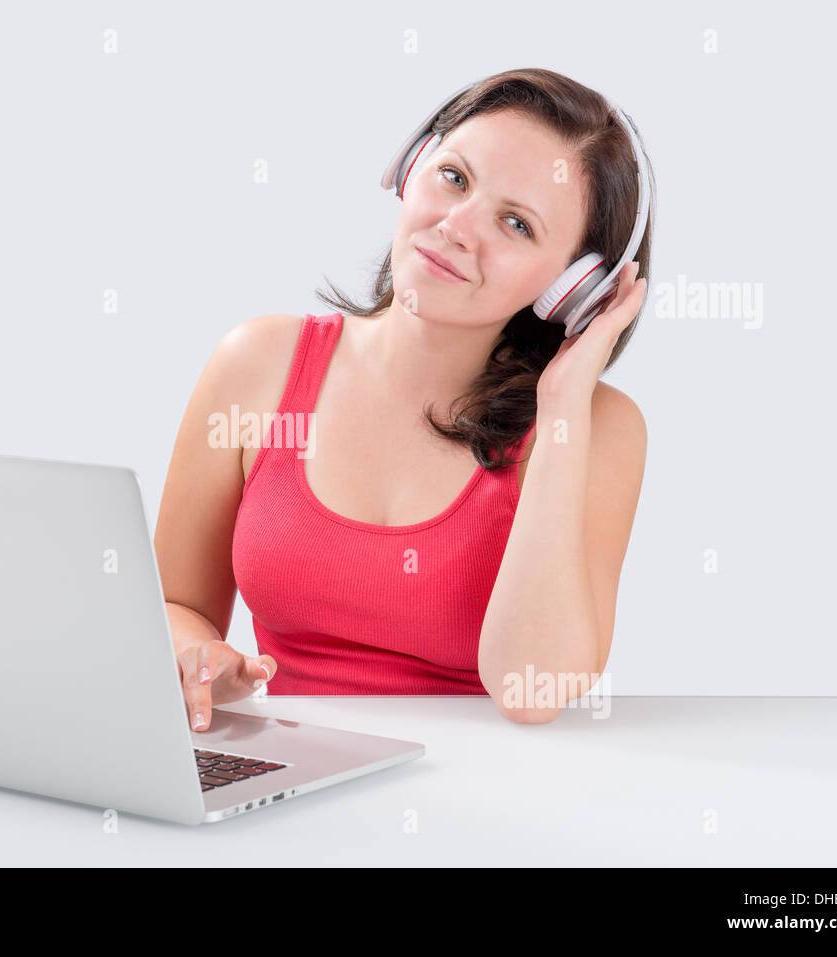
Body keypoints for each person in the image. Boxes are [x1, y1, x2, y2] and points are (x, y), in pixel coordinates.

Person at [154, 68, 652, 730]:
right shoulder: (257, 365)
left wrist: (561, 405)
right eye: (454, 177)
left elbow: (532, 691)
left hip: (493, 807)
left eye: (515, 223)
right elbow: (171, 603)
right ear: (410, 168)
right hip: (293, 787)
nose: (457, 226)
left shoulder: (598, 427)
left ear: (571, 288)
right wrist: (192, 655)